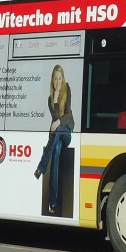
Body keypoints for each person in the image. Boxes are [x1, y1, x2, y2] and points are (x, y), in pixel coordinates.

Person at [34, 65, 74, 215]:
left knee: (57, 132)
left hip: (67, 132)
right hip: (57, 135)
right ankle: (52, 203)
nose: (57, 82)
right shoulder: (50, 99)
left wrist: (58, 123)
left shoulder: (67, 90)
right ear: (52, 80)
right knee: (56, 153)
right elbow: (55, 116)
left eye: (60, 78)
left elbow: (68, 114)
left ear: (63, 79)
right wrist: (56, 98)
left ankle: (41, 167)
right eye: (55, 79)